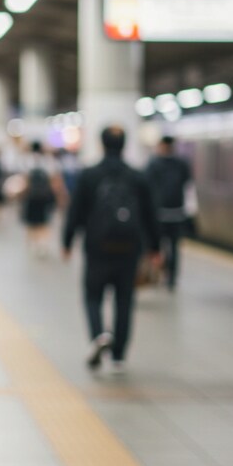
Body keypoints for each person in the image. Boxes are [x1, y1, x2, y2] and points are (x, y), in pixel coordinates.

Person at [62, 126, 161, 374]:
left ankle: (98, 336)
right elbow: (151, 214)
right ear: (125, 145)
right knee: (124, 299)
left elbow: (76, 211)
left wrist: (67, 241)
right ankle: (119, 356)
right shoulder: (136, 176)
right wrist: (155, 248)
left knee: (93, 295)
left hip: (97, 246)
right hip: (129, 248)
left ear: (100, 145)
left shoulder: (89, 175)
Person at [145, 136, 195, 290]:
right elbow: (188, 187)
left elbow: (146, 188)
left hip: (158, 213)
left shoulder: (152, 164)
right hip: (177, 212)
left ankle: (157, 275)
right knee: (174, 247)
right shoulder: (181, 164)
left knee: (157, 246)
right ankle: (171, 277)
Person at [21, 141, 66, 257]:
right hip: (45, 196)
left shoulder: (28, 160)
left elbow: (25, 180)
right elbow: (55, 181)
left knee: (32, 222)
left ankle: (34, 244)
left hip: (31, 196)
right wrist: (59, 196)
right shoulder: (49, 161)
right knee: (44, 221)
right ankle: (43, 243)